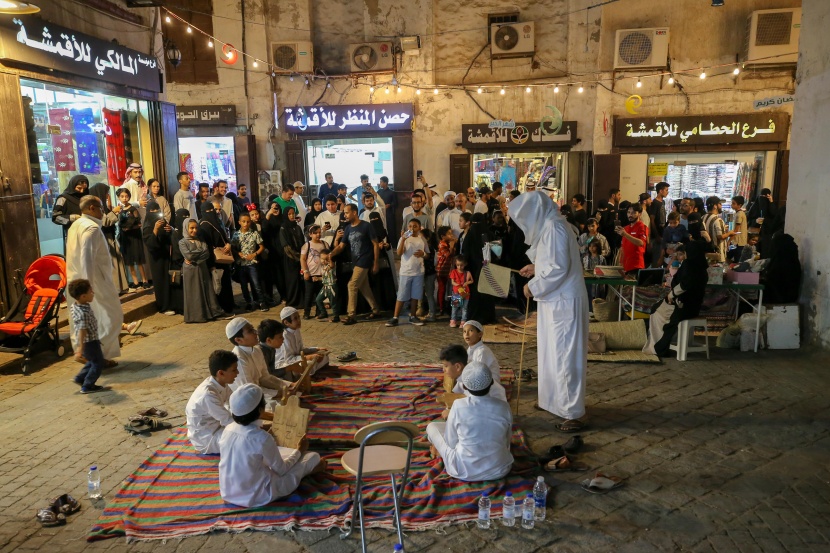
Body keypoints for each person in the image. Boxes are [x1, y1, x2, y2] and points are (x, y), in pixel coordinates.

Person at [510, 191, 588, 433]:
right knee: (551, 354)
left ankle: (571, 412)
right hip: (555, 301)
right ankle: (553, 401)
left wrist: (533, 286)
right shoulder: (552, 227)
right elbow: (553, 262)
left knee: (564, 357)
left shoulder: (555, 228)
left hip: (563, 301)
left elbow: (557, 268)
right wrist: (535, 268)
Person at [219, 383, 326, 508]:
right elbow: (281, 470)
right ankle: (309, 471)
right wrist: (299, 450)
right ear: (260, 410)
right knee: (312, 456)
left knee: (280, 453)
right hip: (259, 496)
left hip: (228, 492)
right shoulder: (262, 438)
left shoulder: (228, 429)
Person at [425, 362, 513, 482]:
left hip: (463, 470)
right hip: (500, 469)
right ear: (492, 382)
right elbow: (507, 441)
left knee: (432, 427)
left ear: (465, 387)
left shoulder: (458, 405)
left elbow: (451, 443)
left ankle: (441, 452)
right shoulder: (504, 406)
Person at [66, 196, 127, 363]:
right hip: (93, 283)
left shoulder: (76, 225)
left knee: (90, 322)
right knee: (111, 317)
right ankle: (92, 355)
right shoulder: (90, 228)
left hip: (78, 282)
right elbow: (86, 258)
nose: (103, 211)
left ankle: (97, 356)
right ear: (92, 208)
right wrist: (87, 287)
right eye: (101, 208)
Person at [643, 241, 709, 357]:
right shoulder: (702, 268)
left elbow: (684, 285)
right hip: (694, 307)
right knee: (658, 307)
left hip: (683, 307)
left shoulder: (689, 265)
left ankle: (658, 347)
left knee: (655, 310)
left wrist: (671, 295)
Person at [330, 204, 382, 325]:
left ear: (354, 212)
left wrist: (375, 262)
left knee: (352, 285)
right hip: (356, 261)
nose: (345, 215)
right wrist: (331, 254)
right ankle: (375, 310)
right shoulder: (348, 228)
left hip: (365, 260)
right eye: (344, 213)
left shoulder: (366, 226)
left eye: (347, 213)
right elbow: (342, 246)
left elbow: (375, 244)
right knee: (365, 288)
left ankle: (351, 315)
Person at [226, 318, 296, 397]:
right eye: (250, 331)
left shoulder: (257, 350)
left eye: (253, 328)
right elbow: (250, 391)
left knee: (297, 394)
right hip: (248, 401)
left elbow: (265, 378)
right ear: (238, 340)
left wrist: (288, 385)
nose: (256, 332)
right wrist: (279, 393)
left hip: (261, 393)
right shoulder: (239, 360)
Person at [186, 350, 238, 454]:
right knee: (246, 440)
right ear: (221, 373)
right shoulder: (208, 395)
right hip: (207, 437)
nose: (237, 373)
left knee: (250, 431)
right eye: (234, 370)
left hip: (217, 426)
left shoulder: (221, 383)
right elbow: (228, 420)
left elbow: (233, 402)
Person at [179, 217, 226, 323]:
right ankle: (196, 316)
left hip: (202, 268)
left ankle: (212, 313)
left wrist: (195, 256)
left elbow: (206, 253)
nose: (194, 230)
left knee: (207, 290)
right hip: (190, 271)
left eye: (196, 228)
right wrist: (197, 254)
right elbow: (189, 256)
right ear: (186, 228)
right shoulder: (182, 242)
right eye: (191, 228)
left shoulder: (200, 239)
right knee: (194, 293)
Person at [68, 279, 108, 394]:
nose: (93, 293)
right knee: (98, 363)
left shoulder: (77, 306)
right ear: (83, 296)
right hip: (90, 342)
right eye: (91, 291)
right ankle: (88, 385)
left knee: (91, 361)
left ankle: (80, 378)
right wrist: (80, 348)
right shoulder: (83, 313)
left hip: (89, 340)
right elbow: (82, 330)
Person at [88, 182, 129, 294]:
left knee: (116, 262)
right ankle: (114, 289)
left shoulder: (103, 206)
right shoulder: (93, 208)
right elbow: (103, 222)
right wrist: (113, 212)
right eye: (106, 193)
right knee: (112, 264)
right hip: (104, 238)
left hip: (109, 236)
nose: (107, 195)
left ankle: (120, 288)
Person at [386, 218, 428, 327]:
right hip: (406, 271)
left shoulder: (422, 239)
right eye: (410, 226)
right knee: (402, 295)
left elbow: (427, 254)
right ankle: (395, 317)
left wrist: (423, 254)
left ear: (419, 228)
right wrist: (403, 239)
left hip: (418, 271)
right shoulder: (404, 239)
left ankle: (413, 316)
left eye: (415, 226)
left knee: (415, 295)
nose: (412, 229)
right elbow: (399, 253)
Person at [199, 202, 235, 314]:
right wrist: (211, 265)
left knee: (225, 282)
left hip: (223, 257)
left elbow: (224, 237)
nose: (211, 213)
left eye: (212, 210)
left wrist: (228, 244)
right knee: (218, 284)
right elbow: (207, 246)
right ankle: (221, 307)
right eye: (208, 211)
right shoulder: (204, 225)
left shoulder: (218, 222)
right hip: (214, 259)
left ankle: (229, 305)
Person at [142, 200, 175, 315]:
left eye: (157, 210)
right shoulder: (147, 227)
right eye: (152, 211)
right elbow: (151, 244)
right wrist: (155, 230)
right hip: (156, 258)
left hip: (166, 255)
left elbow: (171, 237)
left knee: (169, 279)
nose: (155, 212)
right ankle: (163, 306)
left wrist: (170, 230)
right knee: (161, 280)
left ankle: (172, 303)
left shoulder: (163, 222)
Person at [463, 213, 496, 325]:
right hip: (488, 269)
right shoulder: (490, 234)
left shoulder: (470, 235)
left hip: (474, 270)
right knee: (487, 293)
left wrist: (466, 270)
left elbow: (465, 254)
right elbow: (498, 253)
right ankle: (488, 316)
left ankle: (474, 317)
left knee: (475, 294)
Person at [232, 212, 269, 312]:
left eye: (248, 222)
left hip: (252, 263)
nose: (245, 224)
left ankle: (261, 302)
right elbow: (233, 248)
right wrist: (238, 253)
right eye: (243, 222)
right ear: (239, 222)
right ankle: (249, 302)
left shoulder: (254, 233)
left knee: (256, 284)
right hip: (241, 264)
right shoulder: (236, 235)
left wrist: (254, 254)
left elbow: (262, 246)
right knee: (244, 285)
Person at [461, 321, 506, 401]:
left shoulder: (481, 351)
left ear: (480, 334)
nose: (466, 334)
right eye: (464, 331)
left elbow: (479, 373)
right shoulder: (471, 348)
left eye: (471, 331)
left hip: (489, 383)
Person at [115, 187, 149, 291]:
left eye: (126, 196)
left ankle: (144, 280)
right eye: (122, 196)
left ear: (129, 197)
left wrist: (128, 227)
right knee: (129, 260)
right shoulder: (119, 209)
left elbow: (138, 223)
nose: (124, 198)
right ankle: (135, 282)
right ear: (118, 197)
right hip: (125, 238)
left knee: (138, 259)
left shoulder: (133, 209)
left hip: (134, 236)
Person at [280, 307, 330, 374]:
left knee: (325, 357)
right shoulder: (284, 336)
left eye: (298, 317)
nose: (299, 320)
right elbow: (289, 360)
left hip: (299, 359)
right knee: (309, 365)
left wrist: (316, 349)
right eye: (295, 318)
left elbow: (301, 350)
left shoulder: (296, 330)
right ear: (286, 322)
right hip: (287, 364)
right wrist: (309, 357)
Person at [279, 206, 305, 308]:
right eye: (289, 214)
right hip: (290, 258)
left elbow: (302, 242)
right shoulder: (283, 227)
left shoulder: (297, 227)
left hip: (300, 257)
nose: (292, 216)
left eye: (293, 213)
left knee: (300, 279)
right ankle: (293, 301)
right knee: (292, 280)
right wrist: (296, 256)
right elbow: (286, 246)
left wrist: (302, 255)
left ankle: (301, 301)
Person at [300, 224, 327, 318]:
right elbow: (302, 259)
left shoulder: (324, 244)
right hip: (311, 274)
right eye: (315, 233)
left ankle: (319, 312)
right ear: (310, 234)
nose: (318, 235)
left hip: (321, 274)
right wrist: (306, 272)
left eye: (319, 232)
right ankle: (306, 313)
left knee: (319, 295)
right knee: (309, 295)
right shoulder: (307, 245)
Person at [617, 203, 649, 276]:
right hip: (625, 266)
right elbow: (623, 247)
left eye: (634, 213)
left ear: (640, 214)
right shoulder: (625, 228)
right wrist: (620, 262)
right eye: (628, 212)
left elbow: (641, 243)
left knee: (633, 287)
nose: (630, 215)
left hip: (636, 265)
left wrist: (625, 234)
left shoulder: (642, 227)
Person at [435, 226, 456, 315]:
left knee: (451, 289)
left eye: (452, 233)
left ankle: (451, 307)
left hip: (449, 270)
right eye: (449, 234)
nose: (451, 235)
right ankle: (441, 307)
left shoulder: (447, 243)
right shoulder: (442, 244)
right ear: (443, 236)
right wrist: (452, 246)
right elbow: (448, 255)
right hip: (442, 271)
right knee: (442, 289)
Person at [448, 256, 473, 327]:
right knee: (455, 307)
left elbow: (471, 280)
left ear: (465, 264)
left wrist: (466, 283)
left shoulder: (467, 273)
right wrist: (457, 284)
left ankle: (463, 321)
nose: (459, 267)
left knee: (464, 308)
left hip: (465, 293)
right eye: (458, 265)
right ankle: (453, 320)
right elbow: (452, 282)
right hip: (456, 292)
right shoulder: (454, 272)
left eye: (461, 265)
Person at [703, 197, 727, 262]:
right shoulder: (718, 220)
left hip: (705, 253)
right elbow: (720, 236)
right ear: (715, 206)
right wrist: (730, 233)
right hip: (717, 254)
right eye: (720, 204)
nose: (721, 206)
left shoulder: (702, 218)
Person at [728, 196, 748, 262]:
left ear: (739, 205)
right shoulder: (738, 213)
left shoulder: (739, 214)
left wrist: (729, 241)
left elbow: (736, 230)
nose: (732, 205)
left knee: (736, 260)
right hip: (737, 241)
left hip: (738, 242)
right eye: (732, 203)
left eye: (734, 203)